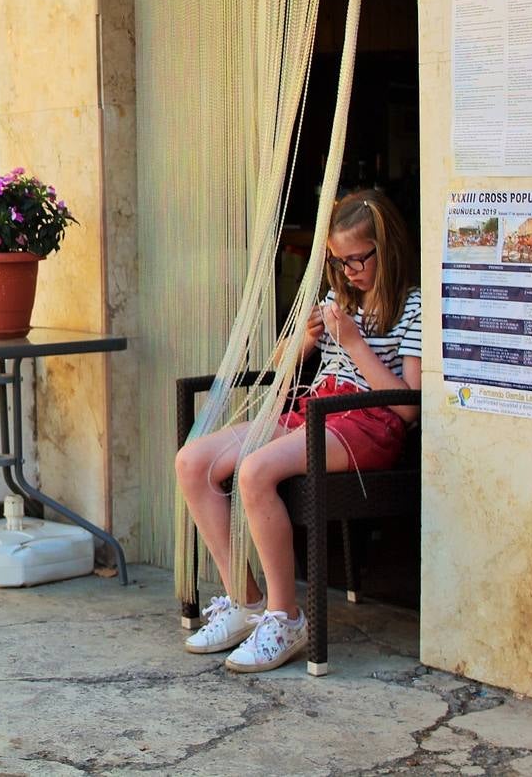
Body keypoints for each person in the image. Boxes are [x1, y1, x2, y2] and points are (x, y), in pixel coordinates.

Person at [174, 189, 421, 673]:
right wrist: (303, 343)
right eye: (338, 262)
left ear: (385, 249)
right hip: (316, 409)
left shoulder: (412, 306)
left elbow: (407, 408)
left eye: (357, 260)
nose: (348, 272)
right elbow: (274, 371)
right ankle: (244, 602)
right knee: (192, 462)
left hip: (369, 423)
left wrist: (353, 342)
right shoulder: (339, 297)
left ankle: (284, 616)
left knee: (255, 470)